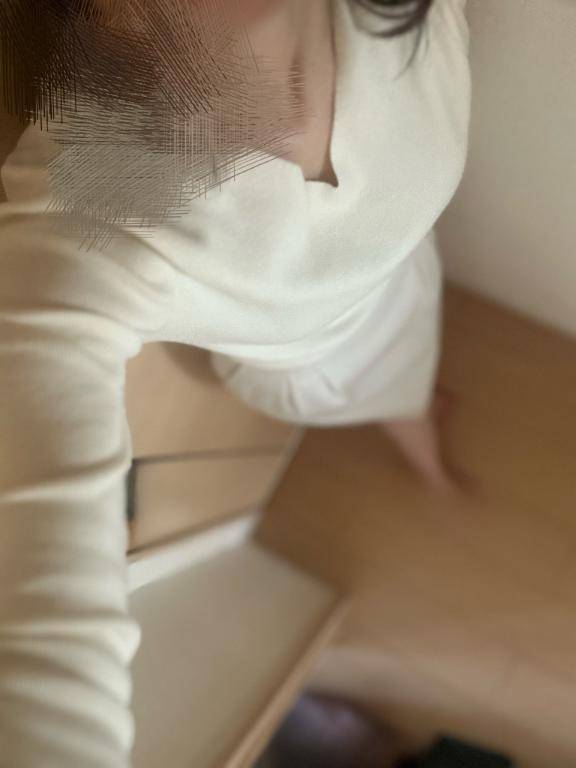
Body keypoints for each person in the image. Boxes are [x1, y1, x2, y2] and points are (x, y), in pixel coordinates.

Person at [0, 0, 471, 764]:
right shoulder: (72, 214)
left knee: (412, 359)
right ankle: (422, 447)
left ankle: (419, 420)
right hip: (319, 368)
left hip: (405, 280)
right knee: (386, 394)